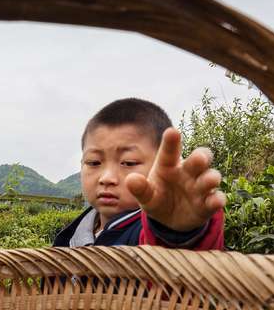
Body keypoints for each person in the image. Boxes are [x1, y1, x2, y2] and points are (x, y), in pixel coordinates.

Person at [53, 98, 225, 250]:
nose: (106, 178)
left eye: (128, 163)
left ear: (161, 167)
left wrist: (179, 231)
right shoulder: (67, 239)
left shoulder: (151, 234)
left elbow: (174, 264)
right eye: (94, 162)